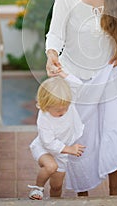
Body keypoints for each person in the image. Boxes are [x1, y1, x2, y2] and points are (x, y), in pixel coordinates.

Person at [45, 0, 117, 196]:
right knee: (80, 138)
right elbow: (55, 34)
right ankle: (83, 195)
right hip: (75, 77)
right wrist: (51, 55)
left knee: (114, 132)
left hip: (108, 75)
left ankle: (115, 194)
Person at [28, 72, 85, 200]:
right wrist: (69, 149)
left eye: (66, 107)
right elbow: (48, 142)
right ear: (45, 105)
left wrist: (61, 73)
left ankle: (55, 201)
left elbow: (78, 85)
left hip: (61, 153)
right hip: (44, 148)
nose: (64, 112)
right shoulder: (44, 118)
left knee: (57, 186)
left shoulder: (67, 102)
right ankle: (38, 188)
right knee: (51, 166)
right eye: (59, 110)